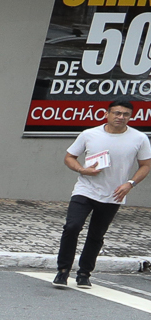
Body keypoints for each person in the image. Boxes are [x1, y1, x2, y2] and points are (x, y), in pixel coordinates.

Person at [57, 101, 150, 288]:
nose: (120, 117)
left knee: (97, 234)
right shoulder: (89, 134)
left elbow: (146, 165)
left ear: (131, 117)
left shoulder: (139, 138)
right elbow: (69, 157)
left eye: (125, 114)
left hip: (113, 194)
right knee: (72, 227)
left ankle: (84, 273)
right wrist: (82, 170)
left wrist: (130, 184)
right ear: (107, 114)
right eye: (116, 113)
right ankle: (63, 271)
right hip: (86, 189)